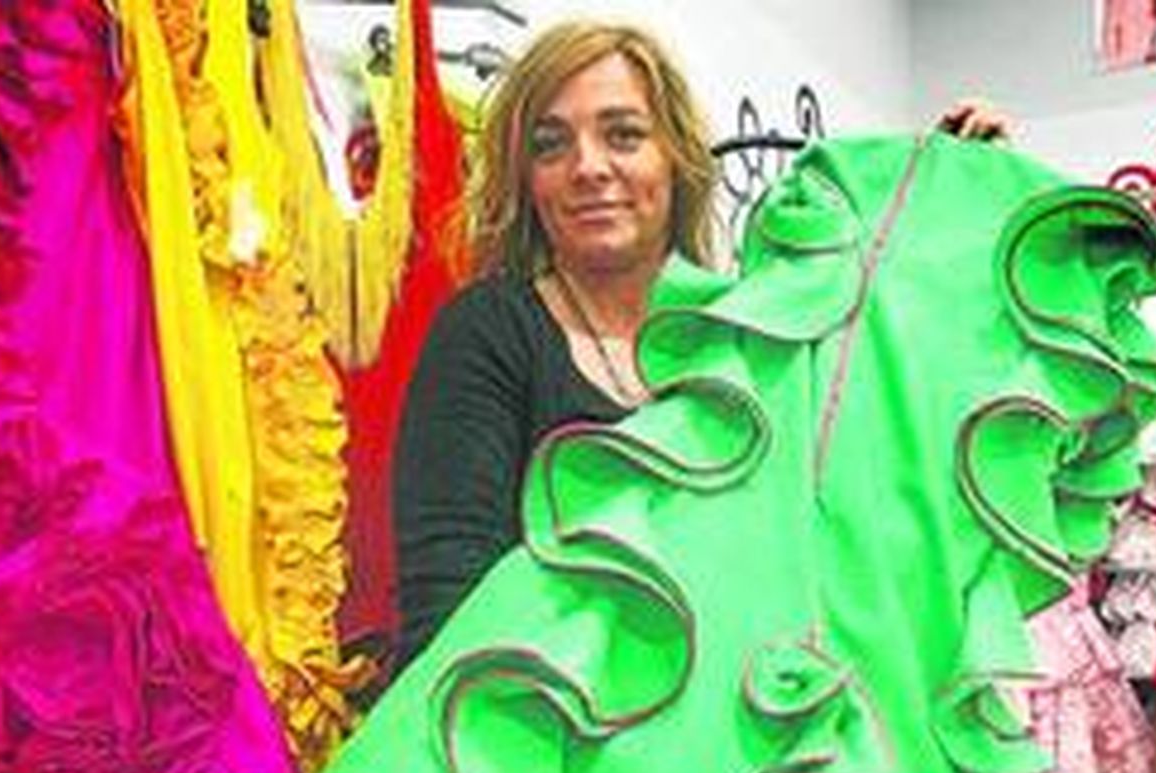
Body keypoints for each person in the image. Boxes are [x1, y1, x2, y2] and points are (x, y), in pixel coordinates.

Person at [392, 19, 1012, 672]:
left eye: (623, 135)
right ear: (527, 179)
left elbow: (886, 474)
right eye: (550, 145)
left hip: (748, 716)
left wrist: (959, 190)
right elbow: (446, 609)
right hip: (542, 719)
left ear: (676, 156)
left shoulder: (748, 335)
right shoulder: (487, 332)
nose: (588, 167)